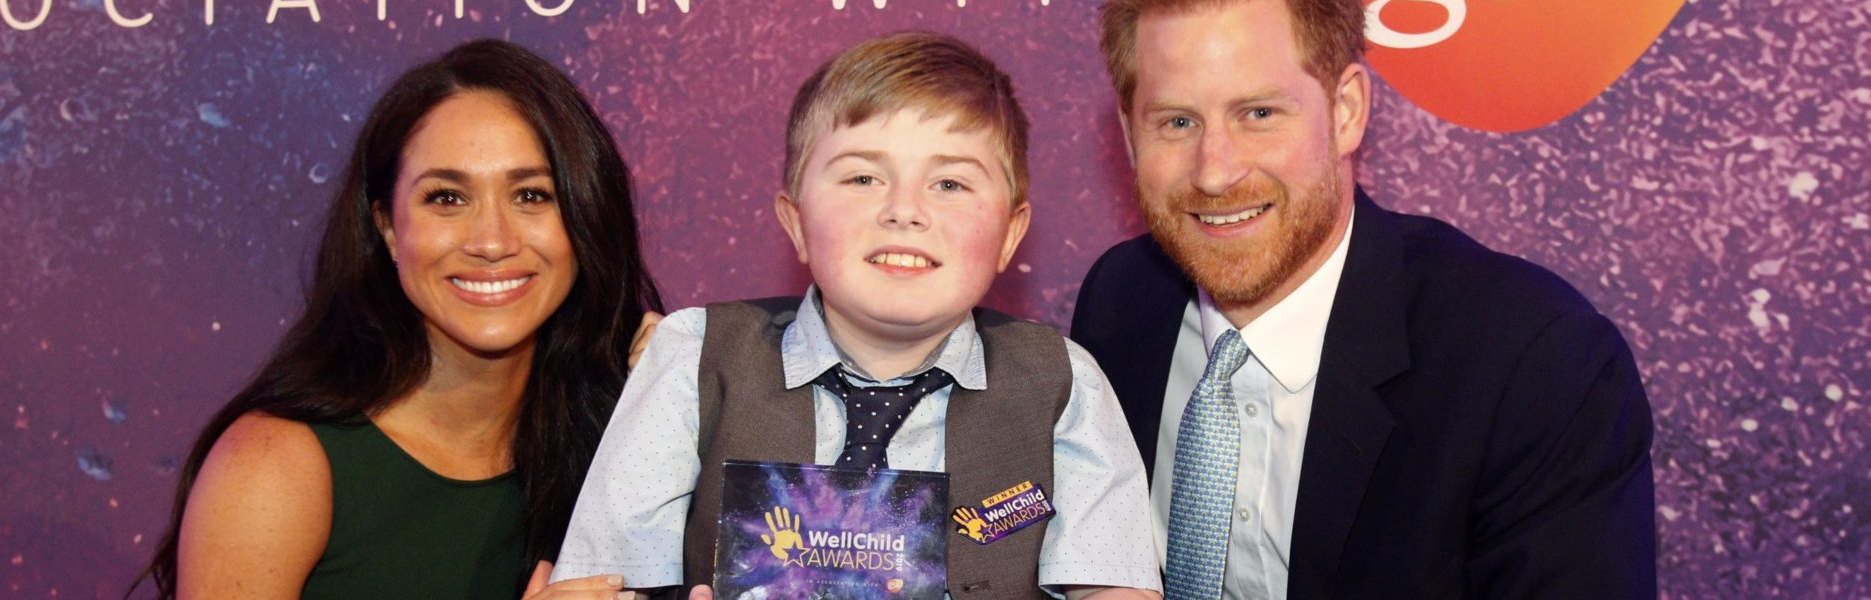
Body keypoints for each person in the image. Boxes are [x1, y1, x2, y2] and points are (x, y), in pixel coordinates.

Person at [1069, 0, 1657, 598]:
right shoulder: (1119, 304)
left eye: (1259, 113)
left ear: (1345, 111)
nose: (1215, 173)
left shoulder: (1535, 363)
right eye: (1176, 122)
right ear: (1128, 133)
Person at [543, 32, 1162, 599]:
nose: (904, 210)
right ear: (796, 223)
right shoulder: (696, 357)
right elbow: (604, 580)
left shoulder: (1061, 385)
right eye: (863, 177)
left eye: (949, 184)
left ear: (1010, 234)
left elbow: (1114, 588)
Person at [131, 39, 663, 600]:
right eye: (447, 199)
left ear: (585, 220)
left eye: (532, 195)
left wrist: (669, 416)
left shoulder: (614, 445)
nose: (491, 241)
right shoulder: (275, 467)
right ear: (387, 226)